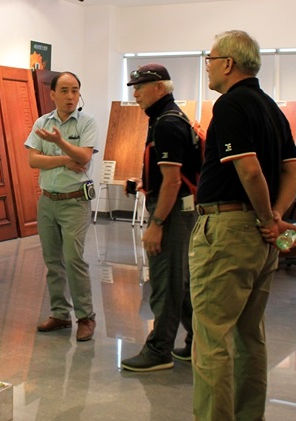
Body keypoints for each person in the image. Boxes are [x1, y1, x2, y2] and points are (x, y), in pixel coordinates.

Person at [190, 30, 296, 420]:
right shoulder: (271, 108)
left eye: (209, 58)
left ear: (227, 63)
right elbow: (293, 169)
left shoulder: (231, 105)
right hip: (259, 236)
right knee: (250, 336)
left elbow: (250, 170)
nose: (207, 66)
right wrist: (275, 216)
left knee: (212, 337)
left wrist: (267, 216)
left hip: (228, 230)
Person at [120, 64, 199, 372]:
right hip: (179, 208)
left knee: (165, 281)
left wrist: (156, 225)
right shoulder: (168, 117)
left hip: (172, 211)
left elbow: (173, 181)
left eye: (140, 87)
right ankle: (197, 341)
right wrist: (146, 182)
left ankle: (159, 350)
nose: (136, 94)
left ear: (160, 88)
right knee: (180, 281)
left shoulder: (167, 123)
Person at [24, 71, 98, 341]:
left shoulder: (87, 122)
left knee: (73, 259)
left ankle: (86, 317)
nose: (70, 96)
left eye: (75, 90)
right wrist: (65, 160)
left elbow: (84, 157)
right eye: (64, 90)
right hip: (48, 201)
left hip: (75, 202)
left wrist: (58, 144)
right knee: (53, 261)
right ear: (52, 94)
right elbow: (33, 160)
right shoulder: (42, 122)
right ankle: (59, 314)